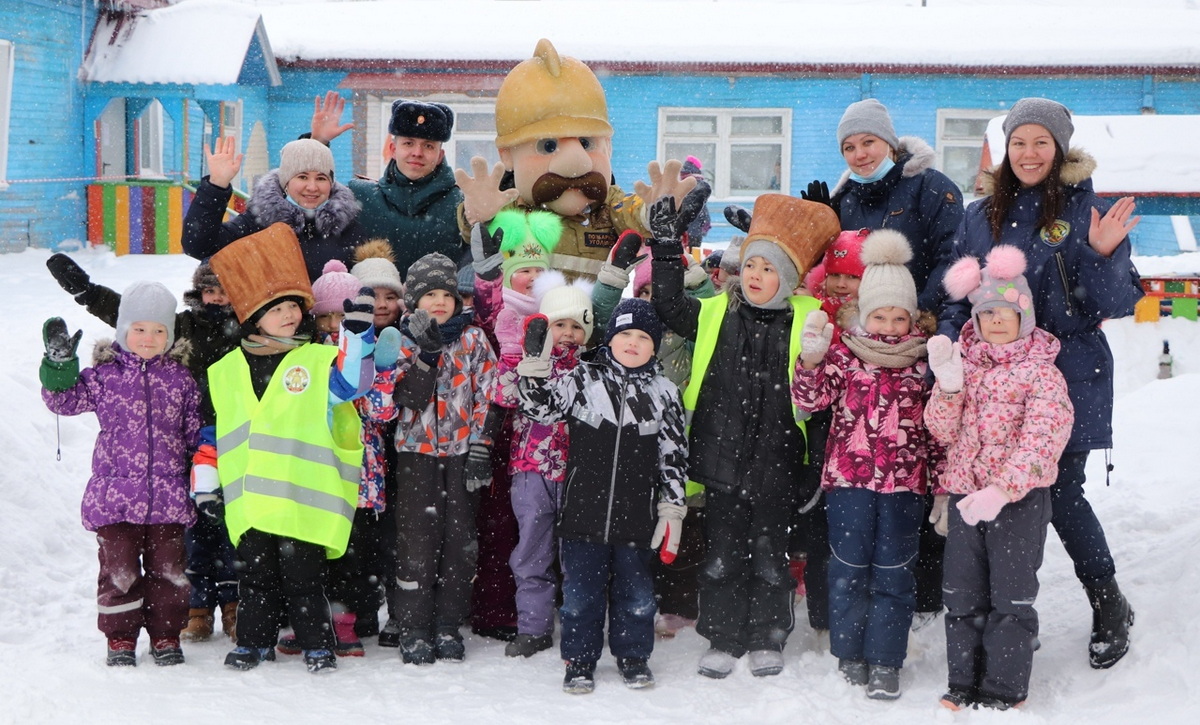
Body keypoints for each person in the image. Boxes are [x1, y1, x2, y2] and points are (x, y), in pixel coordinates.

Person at [940, 97, 1142, 669]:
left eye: (1041, 143)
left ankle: (1108, 603)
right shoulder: (982, 216)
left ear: (1059, 148)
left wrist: (1103, 255)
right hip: (992, 384)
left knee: (1061, 498)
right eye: (1020, 142)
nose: (1029, 154)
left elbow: (1117, 302)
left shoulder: (1085, 211)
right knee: (998, 501)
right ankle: (1009, 615)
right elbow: (960, 294)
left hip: (1068, 375)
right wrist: (952, 348)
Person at [650, 193, 839, 680]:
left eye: (767, 268)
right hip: (721, 460)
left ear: (789, 279)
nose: (754, 275)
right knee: (721, 557)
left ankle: (766, 637)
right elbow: (669, 304)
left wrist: (813, 468)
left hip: (779, 464)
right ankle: (723, 636)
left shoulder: (810, 320)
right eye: (750, 264)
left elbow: (819, 409)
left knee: (771, 559)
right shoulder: (716, 312)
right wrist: (670, 250)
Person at [193, 225, 378, 674]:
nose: (290, 314)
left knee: (305, 581)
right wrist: (205, 485)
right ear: (254, 317)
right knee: (255, 580)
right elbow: (213, 433)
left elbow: (354, 383)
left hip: (301, 502)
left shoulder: (315, 360)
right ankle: (254, 644)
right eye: (278, 308)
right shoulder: (225, 370)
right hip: (252, 503)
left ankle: (318, 645)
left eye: (295, 305)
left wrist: (357, 338)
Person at [815, 98, 965, 629]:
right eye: (849, 147)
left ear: (889, 142)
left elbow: (954, 256)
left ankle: (923, 591)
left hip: (919, 340)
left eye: (867, 143)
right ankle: (854, 588)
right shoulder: (844, 197)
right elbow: (829, 269)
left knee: (916, 459)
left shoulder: (930, 186)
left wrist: (929, 321)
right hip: (860, 346)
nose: (859, 154)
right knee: (861, 458)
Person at [44, 256, 243, 642]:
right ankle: (197, 607)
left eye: (224, 290)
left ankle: (235, 605)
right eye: (210, 289)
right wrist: (86, 291)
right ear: (198, 292)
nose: (217, 298)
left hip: (234, 439)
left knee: (230, 530)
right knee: (190, 535)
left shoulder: (247, 327)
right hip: (181, 447)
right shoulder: (180, 326)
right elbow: (130, 316)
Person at [926, 246, 1074, 711]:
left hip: (1017, 500)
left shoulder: (1042, 375)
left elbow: (1043, 439)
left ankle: (1003, 686)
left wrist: (1003, 489)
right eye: (986, 312)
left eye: (1004, 313)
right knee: (963, 592)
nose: (994, 321)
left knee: (1011, 595)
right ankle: (962, 681)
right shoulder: (964, 364)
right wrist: (948, 388)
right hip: (967, 497)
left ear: (1023, 317)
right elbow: (940, 430)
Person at [790, 230, 936, 701]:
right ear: (865, 314)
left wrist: (946, 485)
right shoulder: (847, 356)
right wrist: (810, 360)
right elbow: (808, 400)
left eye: (899, 317)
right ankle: (849, 651)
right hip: (849, 482)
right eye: (880, 315)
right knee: (848, 568)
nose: (891, 326)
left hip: (904, 486)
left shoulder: (923, 364)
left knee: (894, 572)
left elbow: (938, 429)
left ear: (912, 318)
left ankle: (886, 660)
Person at [517, 298, 688, 693]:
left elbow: (674, 455)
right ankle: (579, 660)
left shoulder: (665, 393)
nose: (632, 342)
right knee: (580, 596)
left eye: (643, 337)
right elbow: (537, 410)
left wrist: (672, 507)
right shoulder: (582, 379)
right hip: (582, 514)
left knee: (637, 595)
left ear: (655, 344)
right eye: (625, 333)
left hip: (637, 517)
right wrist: (533, 371)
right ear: (610, 339)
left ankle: (633, 656)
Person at [40, 282, 200, 667]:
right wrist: (59, 364)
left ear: (170, 335)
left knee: (170, 572)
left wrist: (204, 474)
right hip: (114, 499)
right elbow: (62, 400)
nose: (149, 338)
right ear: (124, 331)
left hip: (168, 498)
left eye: (159, 330)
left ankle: (166, 635)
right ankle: (121, 638)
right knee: (119, 572)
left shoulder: (181, 381)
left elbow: (195, 435)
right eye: (140, 329)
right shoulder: (104, 377)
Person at [358, 252, 497, 665]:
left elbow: (489, 394)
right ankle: (414, 626)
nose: (439, 301)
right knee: (415, 543)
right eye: (428, 294)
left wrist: (480, 447)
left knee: (459, 544)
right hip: (416, 456)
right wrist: (428, 356)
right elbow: (405, 399)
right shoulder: (400, 341)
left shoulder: (473, 339)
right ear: (413, 302)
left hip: (460, 457)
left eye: (446, 294)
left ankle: (448, 625)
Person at [494, 277, 594, 658]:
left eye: (576, 326)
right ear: (543, 326)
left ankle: (576, 626)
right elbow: (502, 394)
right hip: (531, 469)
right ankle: (533, 628)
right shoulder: (528, 361)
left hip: (577, 473)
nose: (568, 334)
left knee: (576, 555)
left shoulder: (590, 367)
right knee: (531, 551)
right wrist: (511, 355)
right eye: (559, 324)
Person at [310, 93, 464, 278]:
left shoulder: (461, 205)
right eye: (408, 143)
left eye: (428, 146)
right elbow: (308, 196)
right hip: (368, 306)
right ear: (393, 149)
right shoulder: (359, 196)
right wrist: (317, 143)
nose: (417, 152)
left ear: (440, 156)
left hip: (438, 306)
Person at [181, 136, 367, 281]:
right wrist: (216, 186)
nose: (312, 187)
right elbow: (200, 246)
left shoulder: (348, 226)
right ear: (285, 181)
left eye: (321, 178)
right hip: (272, 330)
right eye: (302, 177)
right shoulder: (259, 221)